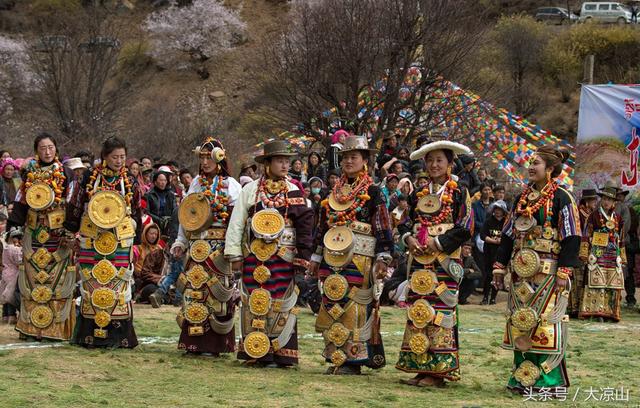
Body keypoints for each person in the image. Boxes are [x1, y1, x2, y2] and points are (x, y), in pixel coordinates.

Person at [492, 145, 578, 394]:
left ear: (550, 169)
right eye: (530, 161)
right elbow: (508, 234)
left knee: (544, 323)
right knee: (522, 322)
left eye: (537, 162)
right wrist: (499, 267)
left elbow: (572, 236)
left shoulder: (563, 197)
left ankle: (547, 382)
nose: (530, 166)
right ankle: (521, 378)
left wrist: (564, 271)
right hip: (521, 272)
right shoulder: (521, 198)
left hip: (549, 273)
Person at [225, 139, 313, 367]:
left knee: (281, 303)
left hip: (284, 257)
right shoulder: (251, 190)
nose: (285, 166)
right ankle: (257, 352)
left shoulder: (294, 190)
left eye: (287, 161)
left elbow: (305, 227)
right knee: (254, 301)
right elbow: (236, 223)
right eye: (280, 161)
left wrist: (302, 260)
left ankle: (281, 354)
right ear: (268, 163)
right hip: (255, 257)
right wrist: (234, 254)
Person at [309, 135, 392, 375]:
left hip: (360, 258)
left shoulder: (374, 192)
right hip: (331, 256)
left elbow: (382, 224)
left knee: (354, 305)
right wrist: (315, 257)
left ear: (365, 160)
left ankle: (354, 360)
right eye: (345, 157)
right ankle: (336, 355)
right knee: (333, 302)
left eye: (353, 156)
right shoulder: (332, 192)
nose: (348, 161)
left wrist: (383, 257)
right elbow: (321, 226)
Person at [396, 140, 473, 387]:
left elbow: (466, 226)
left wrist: (438, 242)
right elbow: (406, 222)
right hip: (419, 259)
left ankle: (439, 371)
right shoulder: (421, 192)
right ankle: (419, 365)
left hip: (444, 262)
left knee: (440, 310)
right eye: (430, 160)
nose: (434, 164)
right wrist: (408, 238)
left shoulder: (459, 191)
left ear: (450, 163)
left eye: (439, 160)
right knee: (418, 308)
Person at [164, 138, 242, 354]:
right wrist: (180, 241)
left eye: (209, 157)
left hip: (220, 249)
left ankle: (215, 345)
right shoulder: (196, 183)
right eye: (202, 157)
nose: (205, 162)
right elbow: (186, 216)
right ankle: (194, 342)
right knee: (195, 290)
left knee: (217, 294)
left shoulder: (232, 186)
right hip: (197, 246)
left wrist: (233, 248)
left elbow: (236, 222)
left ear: (219, 157)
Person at [65, 137, 142, 348]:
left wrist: (136, 231)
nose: (119, 161)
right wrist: (72, 228)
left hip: (120, 241)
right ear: (105, 157)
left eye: (122, 157)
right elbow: (76, 204)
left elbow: (136, 210)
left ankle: (120, 337)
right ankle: (90, 335)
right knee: (93, 283)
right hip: (92, 239)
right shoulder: (90, 177)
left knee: (118, 284)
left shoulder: (130, 181)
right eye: (115, 157)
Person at [7, 133, 76, 341]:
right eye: (43, 148)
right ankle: (32, 328)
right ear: (36, 151)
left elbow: (73, 203)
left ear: (56, 149)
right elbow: (20, 202)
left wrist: (70, 229)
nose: (47, 152)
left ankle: (56, 329)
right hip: (34, 233)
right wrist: (14, 228)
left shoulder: (67, 173)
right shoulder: (28, 173)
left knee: (58, 280)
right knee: (33, 279)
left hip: (58, 234)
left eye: (51, 147)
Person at [578, 186, 625, 322]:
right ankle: (596, 312)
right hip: (597, 252)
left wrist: (622, 256)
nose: (606, 202)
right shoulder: (593, 216)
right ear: (601, 200)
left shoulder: (618, 218)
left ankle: (610, 312)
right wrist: (584, 252)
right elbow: (586, 234)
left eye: (609, 200)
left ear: (614, 202)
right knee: (597, 282)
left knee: (612, 283)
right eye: (604, 199)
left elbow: (620, 238)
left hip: (612, 253)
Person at [568, 189, 598, 317]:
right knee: (577, 278)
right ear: (586, 201)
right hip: (577, 248)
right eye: (592, 200)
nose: (595, 203)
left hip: (588, 249)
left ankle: (582, 306)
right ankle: (574, 307)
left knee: (584, 278)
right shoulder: (578, 213)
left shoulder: (591, 214)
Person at [480, 200, 507, 305]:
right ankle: (485, 297)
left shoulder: (506, 221)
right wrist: (494, 241)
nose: (497, 212)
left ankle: (493, 298)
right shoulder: (488, 221)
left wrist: (502, 242)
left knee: (498, 274)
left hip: (501, 252)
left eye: (499, 210)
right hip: (489, 250)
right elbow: (483, 235)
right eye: (496, 209)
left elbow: (509, 236)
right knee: (488, 274)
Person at [132, 223, 162, 298]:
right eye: (151, 233)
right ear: (145, 234)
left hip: (158, 279)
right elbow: (135, 268)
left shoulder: (160, 249)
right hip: (142, 280)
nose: (154, 236)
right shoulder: (137, 249)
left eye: (156, 234)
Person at [1, 227, 22, 325]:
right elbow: (18, 262)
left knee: (5, 294)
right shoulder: (15, 249)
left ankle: (5, 315)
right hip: (14, 273)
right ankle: (11, 316)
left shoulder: (6, 248)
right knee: (11, 295)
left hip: (5, 272)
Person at [145, 172, 177, 236]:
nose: (163, 182)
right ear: (155, 182)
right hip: (154, 223)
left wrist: (169, 220)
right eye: (161, 180)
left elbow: (174, 210)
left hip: (168, 224)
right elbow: (147, 212)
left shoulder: (171, 194)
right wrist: (159, 220)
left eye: (165, 180)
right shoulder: (149, 195)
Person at [458, 240, 482, 305]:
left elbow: (479, 273)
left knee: (475, 281)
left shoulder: (470, 258)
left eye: (469, 249)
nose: (467, 251)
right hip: (455, 279)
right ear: (461, 248)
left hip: (464, 279)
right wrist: (468, 270)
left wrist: (466, 276)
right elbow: (456, 271)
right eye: (465, 248)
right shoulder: (456, 256)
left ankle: (462, 299)